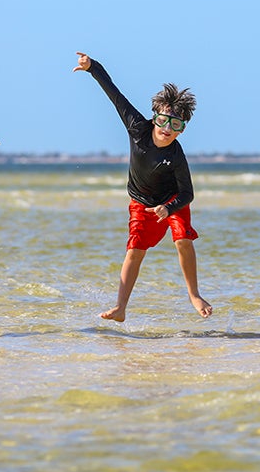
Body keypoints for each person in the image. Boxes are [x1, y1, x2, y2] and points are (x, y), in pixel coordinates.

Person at [73, 52, 212, 322]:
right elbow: (116, 95)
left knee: (183, 238)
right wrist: (92, 67)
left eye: (175, 125)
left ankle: (194, 295)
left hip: (172, 199)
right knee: (135, 249)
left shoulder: (176, 156)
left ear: (182, 129)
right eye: (163, 120)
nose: (167, 128)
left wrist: (169, 208)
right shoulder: (137, 127)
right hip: (141, 201)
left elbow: (188, 193)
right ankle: (120, 308)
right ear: (154, 118)